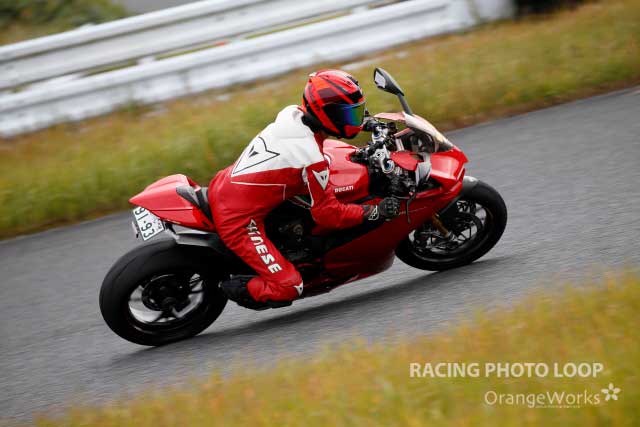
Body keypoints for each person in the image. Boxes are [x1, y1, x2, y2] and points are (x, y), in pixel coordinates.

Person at [209, 69, 400, 310]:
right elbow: (328, 215)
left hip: (225, 185)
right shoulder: (311, 158)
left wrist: (366, 123)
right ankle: (228, 286)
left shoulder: (292, 114)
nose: (356, 119)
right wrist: (375, 211)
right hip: (238, 220)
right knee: (289, 287)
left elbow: (328, 126)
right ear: (327, 114)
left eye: (358, 112)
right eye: (350, 114)